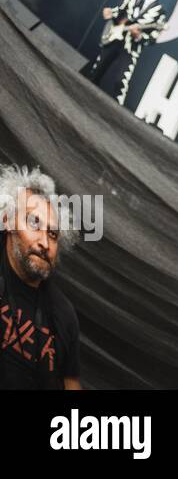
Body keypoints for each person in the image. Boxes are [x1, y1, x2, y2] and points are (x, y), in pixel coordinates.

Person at [0, 165, 81, 390]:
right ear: (8, 221)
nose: (45, 243)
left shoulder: (64, 315)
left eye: (53, 234)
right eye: (34, 223)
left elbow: (71, 383)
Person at [83, 0, 168, 106]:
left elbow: (152, 39)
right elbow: (121, 10)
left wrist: (138, 35)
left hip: (131, 48)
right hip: (114, 38)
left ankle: (116, 116)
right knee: (95, 71)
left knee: (120, 82)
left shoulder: (160, 12)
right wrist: (111, 12)